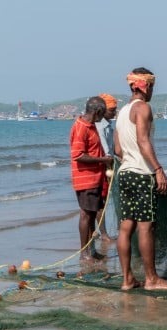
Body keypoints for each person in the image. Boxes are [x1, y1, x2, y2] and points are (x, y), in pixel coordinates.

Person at [114, 67, 167, 291]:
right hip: (142, 174)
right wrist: (158, 169)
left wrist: (130, 161)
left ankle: (127, 279)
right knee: (146, 226)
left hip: (124, 173)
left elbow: (117, 149)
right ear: (146, 86)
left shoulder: (122, 111)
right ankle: (152, 279)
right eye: (152, 86)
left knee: (126, 227)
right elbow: (143, 141)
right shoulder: (143, 107)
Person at [70, 96, 112, 263]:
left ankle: (91, 251)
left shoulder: (91, 125)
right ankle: (84, 253)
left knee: (92, 213)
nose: (102, 118)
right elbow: (78, 155)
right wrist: (103, 160)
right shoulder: (81, 127)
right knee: (86, 215)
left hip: (96, 177)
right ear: (97, 112)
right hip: (85, 179)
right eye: (102, 114)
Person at [94, 93, 118, 241]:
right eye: (112, 110)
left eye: (115, 109)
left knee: (103, 200)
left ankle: (99, 232)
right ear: (102, 110)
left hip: (108, 165)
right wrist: (110, 164)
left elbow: (113, 147)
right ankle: (103, 234)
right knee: (100, 201)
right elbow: (105, 149)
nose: (114, 112)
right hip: (102, 167)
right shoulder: (99, 125)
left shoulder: (108, 125)